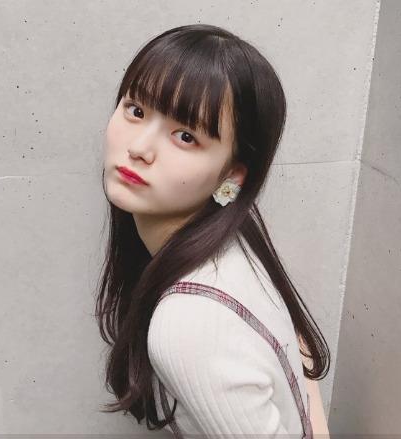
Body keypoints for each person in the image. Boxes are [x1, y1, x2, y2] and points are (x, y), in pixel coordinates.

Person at [94, 23, 331, 436]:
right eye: (136, 110)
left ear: (233, 176)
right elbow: (300, 348)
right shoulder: (235, 243)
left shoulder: (190, 323)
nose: (139, 148)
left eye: (185, 136)